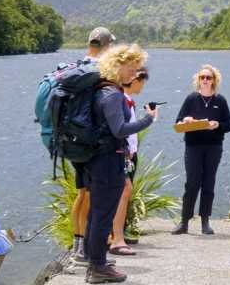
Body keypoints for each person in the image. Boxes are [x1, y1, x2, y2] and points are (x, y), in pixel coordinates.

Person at [75, 44, 157, 283]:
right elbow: (119, 129)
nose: (135, 74)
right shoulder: (112, 95)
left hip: (97, 161)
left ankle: (94, 261)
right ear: (119, 66)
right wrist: (147, 119)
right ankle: (98, 267)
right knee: (102, 215)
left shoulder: (102, 90)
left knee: (96, 214)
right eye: (132, 68)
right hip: (107, 163)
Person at [68, 26, 116, 262]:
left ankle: (77, 244)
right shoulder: (97, 70)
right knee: (90, 195)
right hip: (90, 143)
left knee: (81, 193)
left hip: (72, 139)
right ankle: (86, 250)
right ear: (106, 46)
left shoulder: (76, 66)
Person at [171, 63, 230, 236]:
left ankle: (205, 221)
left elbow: (229, 125)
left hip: (213, 147)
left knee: (208, 183)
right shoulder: (191, 99)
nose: (205, 80)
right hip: (193, 147)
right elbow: (178, 122)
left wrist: (217, 124)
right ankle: (184, 222)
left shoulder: (220, 101)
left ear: (214, 81)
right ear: (198, 80)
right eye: (202, 77)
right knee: (192, 183)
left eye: (208, 77)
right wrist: (187, 121)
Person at [108, 67, 149, 255]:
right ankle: (116, 238)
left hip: (127, 152)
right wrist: (149, 118)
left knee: (124, 192)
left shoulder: (127, 100)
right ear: (135, 80)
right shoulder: (121, 98)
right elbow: (124, 129)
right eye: (142, 81)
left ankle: (117, 234)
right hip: (123, 153)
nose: (143, 86)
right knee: (124, 191)